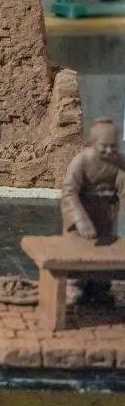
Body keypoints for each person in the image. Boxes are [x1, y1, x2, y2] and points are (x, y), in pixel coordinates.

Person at [61, 118, 125, 303]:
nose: (109, 151)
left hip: (106, 214)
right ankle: (73, 284)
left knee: (105, 250)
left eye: (113, 146)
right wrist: (80, 219)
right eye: (104, 146)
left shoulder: (119, 162)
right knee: (77, 251)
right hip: (81, 211)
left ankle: (100, 285)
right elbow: (69, 192)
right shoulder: (81, 162)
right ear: (93, 143)